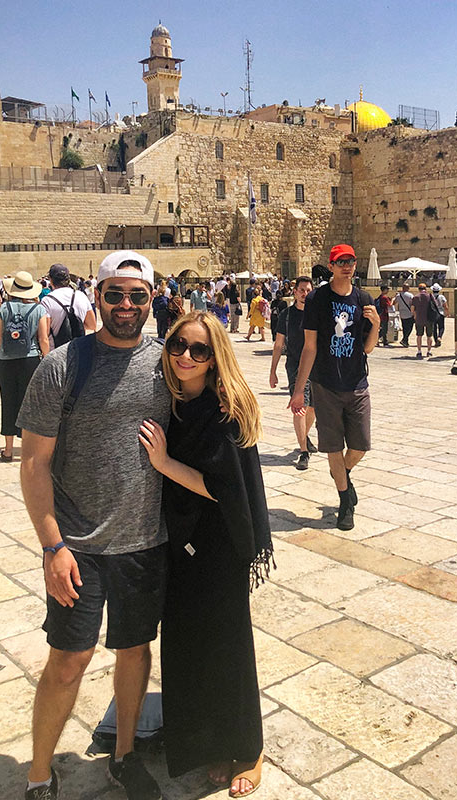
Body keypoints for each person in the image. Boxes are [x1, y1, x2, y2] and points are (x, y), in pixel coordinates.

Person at [17, 251, 168, 800]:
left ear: (152, 299)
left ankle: (125, 755)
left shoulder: (168, 363)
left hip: (145, 541)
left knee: (134, 651)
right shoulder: (63, 366)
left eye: (138, 296)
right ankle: (38, 773)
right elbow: (33, 464)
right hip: (77, 545)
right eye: (115, 294)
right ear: (96, 295)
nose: (126, 306)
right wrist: (51, 545)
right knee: (68, 660)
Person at [138, 310, 271, 798]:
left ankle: (249, 748)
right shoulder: (175, 403)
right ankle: (210, 741)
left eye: (198, 350)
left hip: (218, 545)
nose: (186, 357)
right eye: (178, 346)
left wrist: (163, 462)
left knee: (228, 646)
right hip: (179, 542)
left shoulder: (223, 410)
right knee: (188, 644)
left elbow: (221, 487)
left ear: (215, 358)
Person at [288, 244, 378, 531]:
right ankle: (344, 502)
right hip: (325, 384)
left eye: (351, 261)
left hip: (356, 383)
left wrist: (375, 325)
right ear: (331, 265)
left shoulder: (362, 298)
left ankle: (343, 475)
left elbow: (368, 348)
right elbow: (310, 347)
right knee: (332, 447)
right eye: (341, 262)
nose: (347, 266)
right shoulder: (317, 299)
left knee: (361, 445)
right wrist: (299, 389)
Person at [0, 271, 52, 461]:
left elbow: (0, 339)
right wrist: (48, 359)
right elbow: (43, 338)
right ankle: (27, 448)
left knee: (8, 401)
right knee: (29, 405)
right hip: (31, 360)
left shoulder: (4, 308)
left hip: (6, 360)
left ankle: (8, 449)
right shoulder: (39, 309)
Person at [270, 276, 318, 469]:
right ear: (295, 291)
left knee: (313, 408)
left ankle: (304, 437)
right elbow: (278, 344)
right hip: (295, 367)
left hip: (316, 367)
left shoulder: (317, 314)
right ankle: (303, 451)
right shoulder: (287, 315)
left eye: (308, 290)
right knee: (300, 407)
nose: (304, 294)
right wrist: (272, 371)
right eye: (301, 290)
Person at [41, 264, 96, 347]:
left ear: (51, 280)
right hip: (79, 350)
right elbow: (92, 325)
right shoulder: (81, 296)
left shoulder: (47, 300)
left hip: (56, 351)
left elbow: (46, 332)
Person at [412, 283, 434, 358]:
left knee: (419, 335)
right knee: (429, 336)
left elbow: (412, 309)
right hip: (429, 318)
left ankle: (419, 351)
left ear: (418, 289)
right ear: (426, 289)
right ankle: (429, 351)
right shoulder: (430, 296)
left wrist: (415, 316)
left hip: (419, 318)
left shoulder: (416, 297)